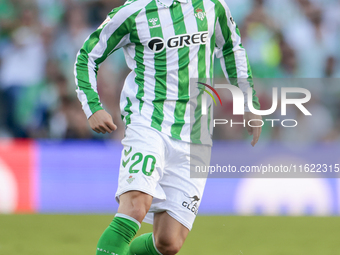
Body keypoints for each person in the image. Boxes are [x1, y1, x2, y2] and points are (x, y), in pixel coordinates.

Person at [74, 0, 262, 254]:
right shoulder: (134, 11)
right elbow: (87, 55)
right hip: (148, 122)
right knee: (136, 205)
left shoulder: (212, 5)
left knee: (168, 243)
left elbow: (231, 48)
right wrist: (93, 107)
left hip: (196, 134)